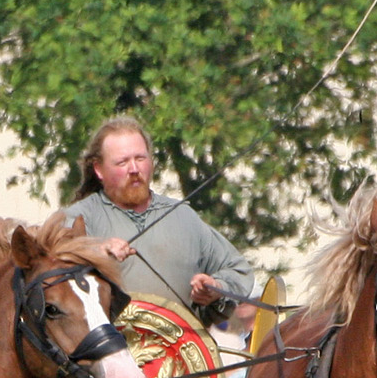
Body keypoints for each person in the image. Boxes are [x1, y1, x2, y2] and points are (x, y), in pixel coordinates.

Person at [61, 115, 252, 324]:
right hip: (110, 343)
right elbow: (50, 264)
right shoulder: (79, 218)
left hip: (183, 342)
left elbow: (239, 270)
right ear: (99, 169)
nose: (134, 169)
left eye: (140, 158)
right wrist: (95, 251)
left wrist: (216, 288)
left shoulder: (183, 217)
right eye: (122, 162)